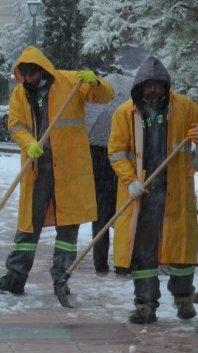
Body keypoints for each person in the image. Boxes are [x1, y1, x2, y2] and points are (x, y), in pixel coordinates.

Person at [0, 46, 114, 305]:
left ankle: (61, 276)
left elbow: (104, 96)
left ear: (42, 70)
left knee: (68, 227)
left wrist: (96, 82)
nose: (29, 81)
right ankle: (16, 276)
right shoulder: (19, 94)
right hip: (37, 169)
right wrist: (27, 142)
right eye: (24, 77)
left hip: (69, 169)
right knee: (28, 225)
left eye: (32, 76)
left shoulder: (70, 81)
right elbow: (15, 124)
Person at [108, 56, 198, 323]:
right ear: (139, 87)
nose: (153, 90)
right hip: (142, 196)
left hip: (175, 192)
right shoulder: (125, 113)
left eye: (157, 85)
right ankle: (145, 304)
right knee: (144, 251)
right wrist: (130, 180)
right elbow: (116, 152)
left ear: (165, 86)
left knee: (181, 250)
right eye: (148, 85)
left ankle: (184, 299)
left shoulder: (184, 107)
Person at [85, 73, 133, 276]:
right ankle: (125, 260)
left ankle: (100, 262)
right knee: (125, 216)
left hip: (100, 168)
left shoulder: (96, 116)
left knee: (101, 217)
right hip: (122, 167)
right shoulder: (128, 113)